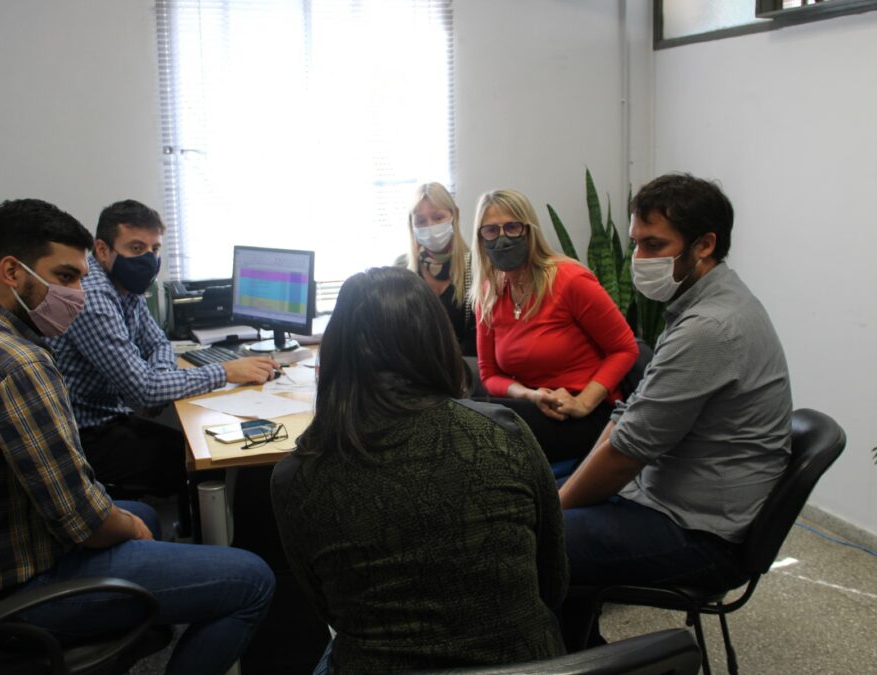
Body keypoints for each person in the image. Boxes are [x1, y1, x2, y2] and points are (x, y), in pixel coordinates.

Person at [0, 198, 275, 674]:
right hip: (24, 582)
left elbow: (155, 352)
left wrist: (130, 522)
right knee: (252, 579)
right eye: (65, 277)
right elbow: (84, 520)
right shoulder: (18, 365)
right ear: (11, 272)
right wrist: (129, 529)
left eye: (81, 278)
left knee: (143, 512)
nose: (80, 294)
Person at [271, 266, 568, 674]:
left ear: (334, 354)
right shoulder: (504, 432)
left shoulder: (297, 476)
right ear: (436, 343)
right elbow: (552, 581)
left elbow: (330, 611)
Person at [558, 173, 792, 593]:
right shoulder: (706, 301)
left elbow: (627, 451)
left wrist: (557, 510)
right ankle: (582, 643)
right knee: (535, 501)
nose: (639, 258)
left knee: (525, 541)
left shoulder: (710, 327)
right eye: (635, 243)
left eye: (654, 245)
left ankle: (578, 656)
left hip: (700, 536)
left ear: (704, 245)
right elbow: (630, 415)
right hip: (663, 498)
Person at [49, 199, 278, 535]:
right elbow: (143, 390)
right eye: (136, 247)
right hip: (86, 436)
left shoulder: (125, 286)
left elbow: (157, 344)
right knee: (199, 458)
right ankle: (209, 548)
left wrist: (160, 379)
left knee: (197, 444)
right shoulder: (95, 296)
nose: (149, 259)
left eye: (155, 248)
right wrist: (226, 371)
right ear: (102, 249)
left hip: (111, 416)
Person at [472, 189, 638, 463]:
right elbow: (489, 374)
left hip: (586, 412)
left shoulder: (570, 279)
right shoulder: (489, 295)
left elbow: (625, 349)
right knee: (471, 415)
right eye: (491, 231)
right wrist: (529, 394)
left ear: (529, 230)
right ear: (480, 238)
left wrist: (583, 402)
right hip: (535, 404)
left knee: (483, 430)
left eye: (512, 227)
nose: (502, 238)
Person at [404, 182, 476, 356]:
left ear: (454, 216)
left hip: (466, 368)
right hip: (416, 372)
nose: (430, 226)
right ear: (412, 226)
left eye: (438, 218)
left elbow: (476, 338)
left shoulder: (475, 267)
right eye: (420, 221)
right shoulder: (402, 271)